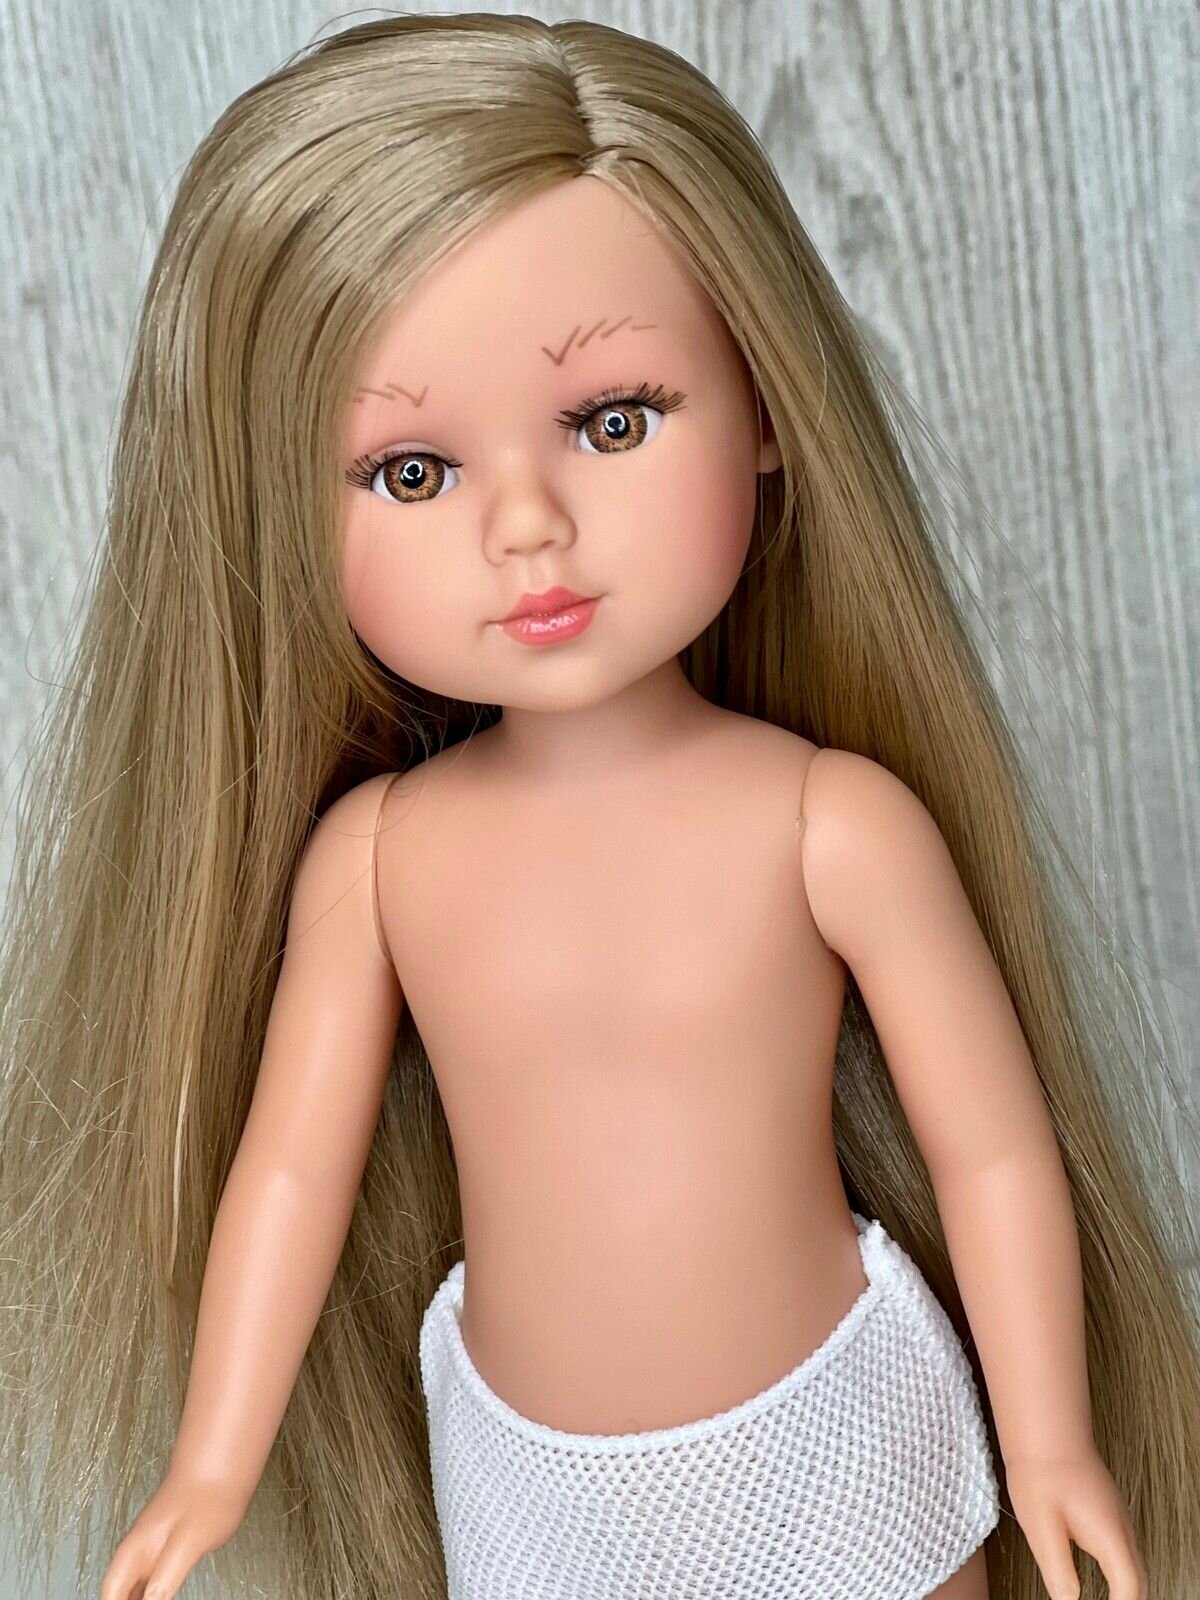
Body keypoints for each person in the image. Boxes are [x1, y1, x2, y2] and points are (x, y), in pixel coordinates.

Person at [1, 14, 1194, 1600]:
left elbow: (994, 1156)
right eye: (410, 472)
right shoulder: (378, 863)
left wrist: (1049, 1443)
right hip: (528, 1480)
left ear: (767, 407)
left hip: (831, 1434)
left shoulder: (830, 828)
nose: (528, 527)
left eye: (613, 421)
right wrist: (210, 1461)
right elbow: (290, 1174)